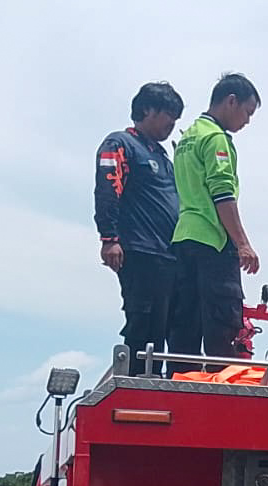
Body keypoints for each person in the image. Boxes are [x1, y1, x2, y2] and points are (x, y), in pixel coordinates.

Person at [168, 72, 261, 371]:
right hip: (212, 241)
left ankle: (181, 385)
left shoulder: (189, 136)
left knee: (184, 326)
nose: (247, 122)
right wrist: (243, 244)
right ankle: (224, 390)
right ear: (231, 101)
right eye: (247, 112)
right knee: (223, 327)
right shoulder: (215, 138)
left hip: (183, 240)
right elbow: (222, 192)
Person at [93, 81, 184, 376]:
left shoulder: (162, 157)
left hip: (169, 256)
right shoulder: (120, 144)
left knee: (164, 327)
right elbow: (107, 188)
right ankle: (136, 384)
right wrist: (109, 239)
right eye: (168, 113)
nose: (172, 122)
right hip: (141, 252)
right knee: (143, 325)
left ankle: (158, 381)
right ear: (146, 110)